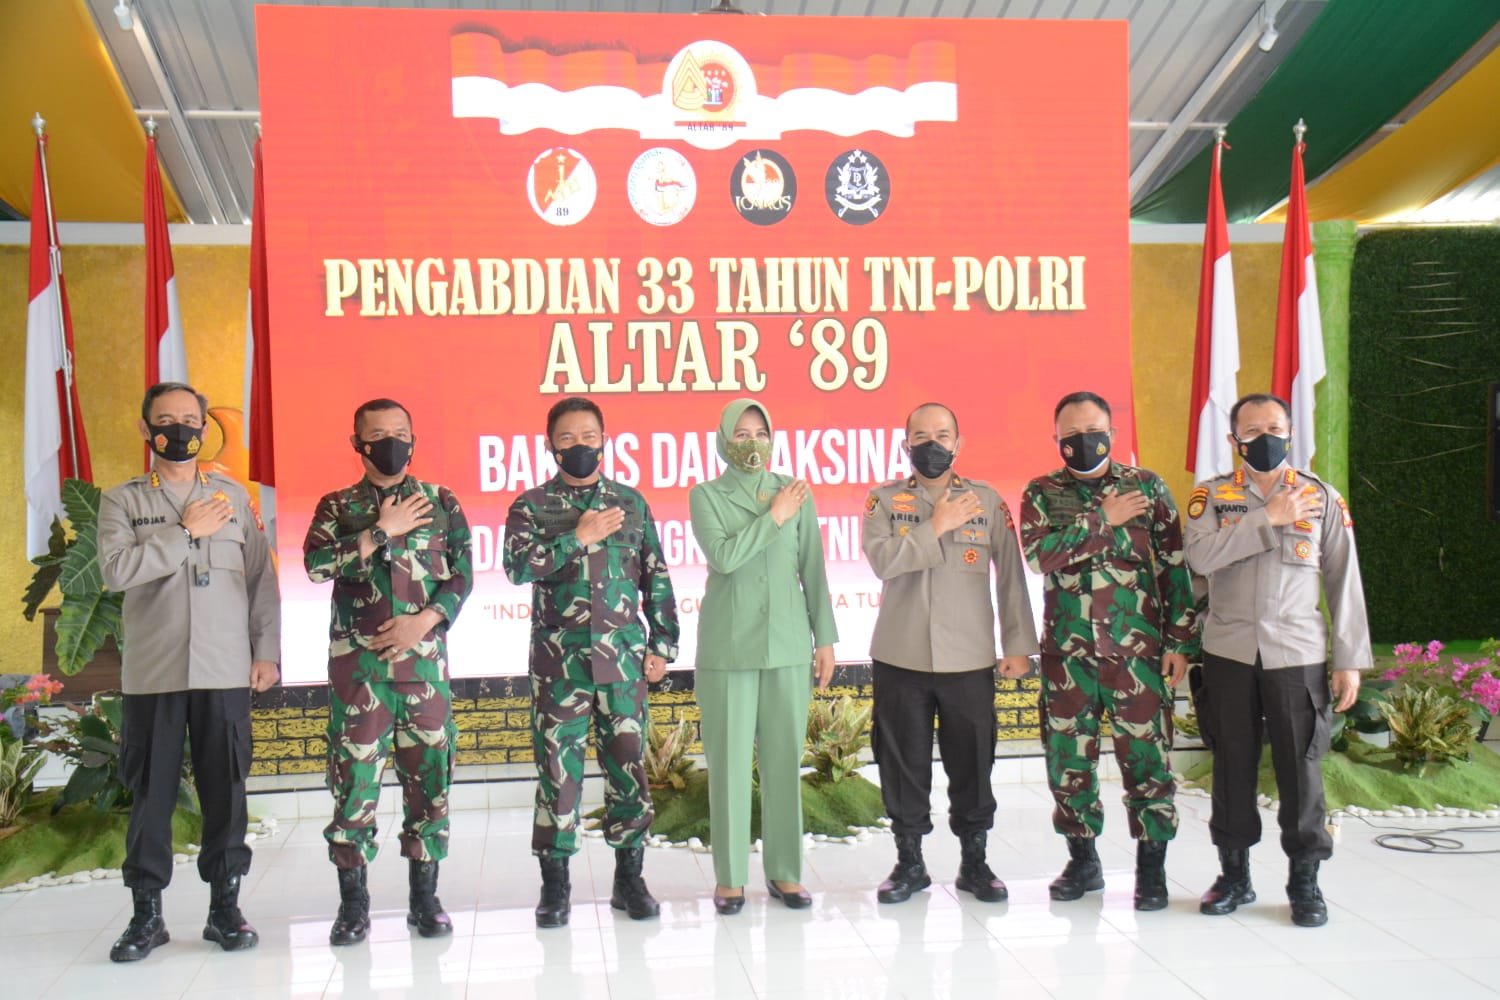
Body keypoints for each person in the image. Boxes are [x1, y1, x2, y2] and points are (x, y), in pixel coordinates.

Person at [98, 381, 280, 962]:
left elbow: (260, 578)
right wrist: (183, 534)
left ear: (204, 428)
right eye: (165, 420)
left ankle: (225, 909)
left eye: (189, 420)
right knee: (151, 792)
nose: (179, 430)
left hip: (224, 668)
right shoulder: (123, 501)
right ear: (145, 428)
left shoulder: (232, 497)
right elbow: (116, 571)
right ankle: (146, 916)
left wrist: (266, 651)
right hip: (156, 671)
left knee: (225, 789)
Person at [1185, 392, 1369, 928]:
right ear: (1233, 440)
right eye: (1253, 430)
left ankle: (1304, 882)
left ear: (1290, 432)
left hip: (1297, 653)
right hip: (1229, 651)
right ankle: (1234, 876)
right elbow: (1199, 556)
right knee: (1232, 765)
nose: (1265, 438)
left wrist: (1349, 658)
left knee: (1301, 769)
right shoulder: (1211, 497)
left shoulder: (1320, 497)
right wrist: (1267, 517)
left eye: (1275, 428)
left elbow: (1343, 579)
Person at [502, 397, 680, 928]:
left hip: (623, 663)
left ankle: (630, 880)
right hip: (560, 669)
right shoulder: (533, 506)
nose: (579, 446)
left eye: (588, 436)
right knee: (558, 776)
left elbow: (656, 575)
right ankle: (555, 886)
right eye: (567, 438)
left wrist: (663, 645)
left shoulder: (630, 502)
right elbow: (517, 567)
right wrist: (576, 538)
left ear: (604, 441)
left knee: (629, 771)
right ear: (550, 445)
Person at [303, 398, 473, 945]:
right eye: (378, 434)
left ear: (414, 439)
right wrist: (379, 531)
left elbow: (463, 575)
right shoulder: (338, 505)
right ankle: (353, 907)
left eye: (401, 432)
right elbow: (315, 565)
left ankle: (426, 901)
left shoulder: (441, 501)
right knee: (354, 787)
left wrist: (424, 621)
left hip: (424, 672)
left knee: (431, 785)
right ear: (357, 443)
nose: (391, 443)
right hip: (361, 677)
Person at [1019, 390, 1195, 911]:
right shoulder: (1042, 492)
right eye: (1071, 435)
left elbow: (1174, 568)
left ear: (1113, 434)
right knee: (1068, 764)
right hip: (1067, 659)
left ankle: (1151, 869)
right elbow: (1039, 556)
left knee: (1148, 762)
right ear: (1056, 439)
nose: (1084, 441)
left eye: (1093, 431)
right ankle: (1083, 861)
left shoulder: (1147, 487)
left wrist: (1180, 642)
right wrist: (1103, 519)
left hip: (1137, 655)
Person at [861, 403, 1038, 904]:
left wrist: (1018, 645)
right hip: (901, 655)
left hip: (969, 657)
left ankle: (975, 863)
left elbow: (1011, 575)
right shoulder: (883, 500)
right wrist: (934, 526)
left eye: (942, 435)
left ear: (958, 444)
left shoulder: (986, 500)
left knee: (973, 761)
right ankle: (909, 863)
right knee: (902, 763)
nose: (932, 444)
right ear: (906, 445)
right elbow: (882, 561)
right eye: (921, 435)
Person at [689, 399, 838, 914]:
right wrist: (775, 517)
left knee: (782, 764)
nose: (752, 442)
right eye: (741, 433)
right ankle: (730, 878)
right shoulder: (706, 495)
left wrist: (825, 638)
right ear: (723, 439)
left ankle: (785, 873)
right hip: (728, 648)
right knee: (729, 767)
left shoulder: (795, 490)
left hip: (788, 645)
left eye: (760, 432)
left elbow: (813, 567)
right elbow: (725, 557)